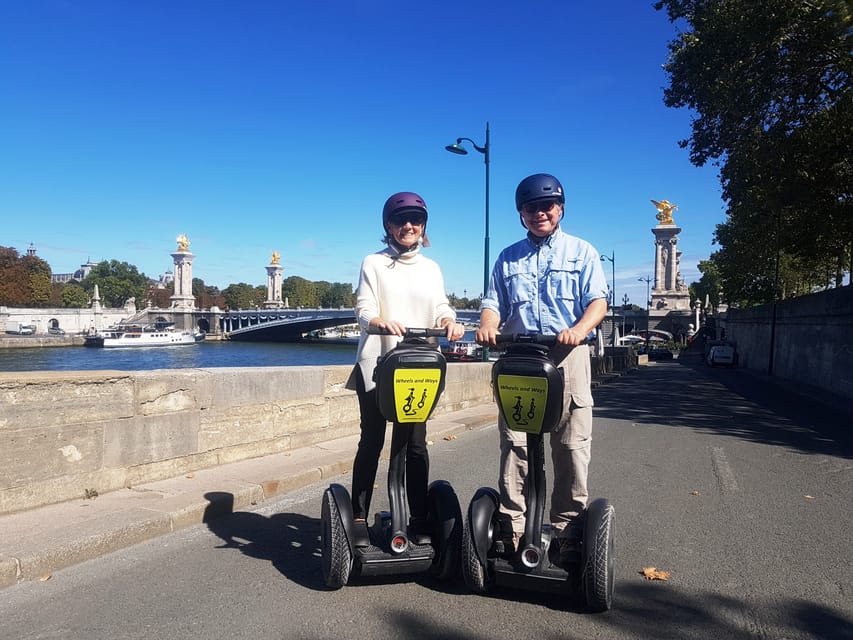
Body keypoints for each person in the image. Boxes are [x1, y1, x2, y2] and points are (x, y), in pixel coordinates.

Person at [475, 173, 608, 561]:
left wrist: (579, 330)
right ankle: (513, 526)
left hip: (567, 356)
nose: (540, 213)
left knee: (570, 446)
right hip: (519, 360)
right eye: (531, 208)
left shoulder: (582, 252)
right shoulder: (507, 257)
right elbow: (492, 302)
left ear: (560, 208)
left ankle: (567, 529)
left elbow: (597, 301)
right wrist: (487, 324)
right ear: (521, 214)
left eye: (547, 206)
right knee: (515, 445)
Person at [348, 191, 465, 546]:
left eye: (415, 220)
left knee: (415, 445)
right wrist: (378, 321)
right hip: (378, 363)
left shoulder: (432, 268)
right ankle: (357, 516)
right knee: (373, 439)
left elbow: (441, 305)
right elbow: (363, 307)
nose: (408, 226)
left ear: (423, 225)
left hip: (418, 367)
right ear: (388, 225)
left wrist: (449, 320)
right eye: (401, 221)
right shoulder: (373, 262)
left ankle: (416, 517)